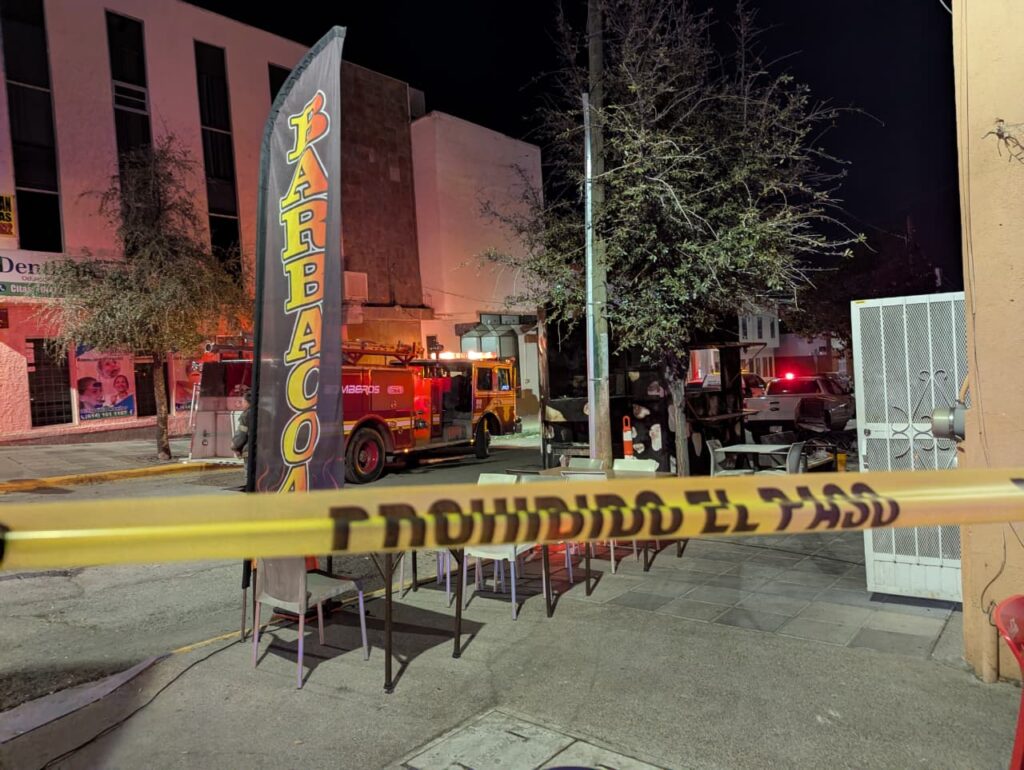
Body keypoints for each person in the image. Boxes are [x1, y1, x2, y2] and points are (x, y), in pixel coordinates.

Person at [231, 389, 253, 459]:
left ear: (247, 402)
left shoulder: (246, 415)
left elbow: (241, 434)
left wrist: (234, 446)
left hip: (250, 452)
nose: (242, 404)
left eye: (242, 401)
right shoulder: (266, 413)